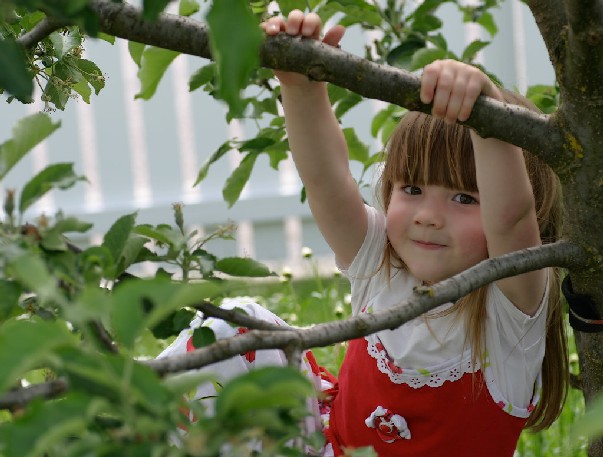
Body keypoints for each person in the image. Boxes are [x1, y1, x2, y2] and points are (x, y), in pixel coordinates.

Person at [159, 10, 568, 457]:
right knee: (228, 329)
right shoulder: (383, 264)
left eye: (464, 198)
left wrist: (488, 121)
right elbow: (326, 181)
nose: (428, 216)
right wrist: (301, 88)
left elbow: (511, 220)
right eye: (412, 189)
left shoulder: (511, 313)